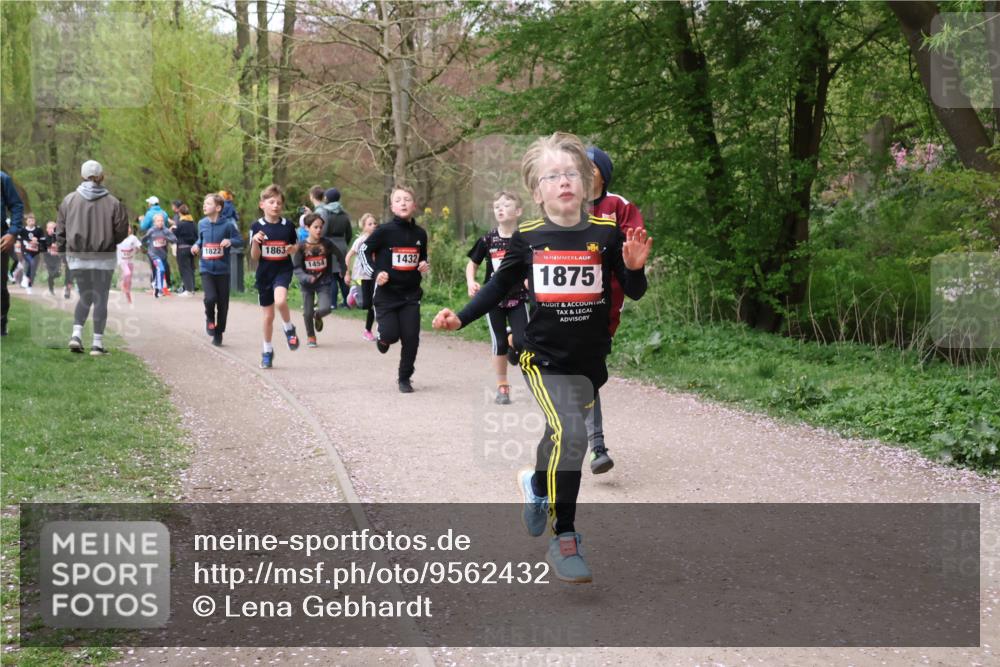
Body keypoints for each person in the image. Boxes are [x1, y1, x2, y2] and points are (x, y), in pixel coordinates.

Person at [432, 132, 652, 583]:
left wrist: (634, 268)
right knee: (572, 433)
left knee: (559, 433)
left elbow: (633, 291)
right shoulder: (528, 239)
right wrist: (462, 317)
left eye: (572, 173)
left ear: (588, 184)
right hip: (542, 357)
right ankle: (564, 536)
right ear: (537, 192)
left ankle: (535, 483)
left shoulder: (606, 234)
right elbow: (499, 286)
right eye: (552, 176)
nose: (564, 181)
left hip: (590, 358)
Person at [583, 146, 648, 474]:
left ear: (603, 175)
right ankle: (596, 445)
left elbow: (634, 249)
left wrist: (632, 262)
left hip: (606, 305)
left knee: (586, 372)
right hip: (567, 304)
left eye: (590, 166)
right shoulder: (564, 205)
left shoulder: (618, 206)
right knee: (581, 371)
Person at [359, 184, 429, 393]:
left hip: (411, 295)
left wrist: (423, 264)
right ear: (392, 207)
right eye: (398, 200)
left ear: (414, 205)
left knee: (411, 338)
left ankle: (404, 378)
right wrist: (375, 273)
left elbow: (422, 257)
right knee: (391, 335)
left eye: (407, 199)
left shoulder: (420, 233)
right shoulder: (384, 231)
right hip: (386, 295)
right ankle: (383, 338)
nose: (403, 203)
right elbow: (363, 251)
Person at [57, 160, 130, 355]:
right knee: (100, 299)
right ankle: (97, 344)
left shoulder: (69, 200)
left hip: (77, 257)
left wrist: (64, 254)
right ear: (102, 177)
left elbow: (60, 232)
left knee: (85, 296)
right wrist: (109, 241)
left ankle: (76, 335)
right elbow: (122, 232)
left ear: (82, 176)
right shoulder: (113, 203)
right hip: (104, 258)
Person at [466, 191, 530, 405]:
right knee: (499, 342)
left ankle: (514, 340)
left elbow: (534, 265)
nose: (500, 209)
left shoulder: (525, 239)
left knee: (523, 342)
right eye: (496, 206)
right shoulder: (488, 239)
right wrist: (471, 281)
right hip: (493, 299)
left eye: (506, 205)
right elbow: (472, 264)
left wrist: (530, 280)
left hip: (519, 298)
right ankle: (502, 386)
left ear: (518, 211)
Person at [248, 184, 300, 368]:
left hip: (283, 270)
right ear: (262, 204)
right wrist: (256, 242)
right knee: (268, 317)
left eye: (279, 203)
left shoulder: (288, 226)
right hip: (264, 274)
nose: (275, 206)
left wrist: (292, 248)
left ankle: (288, 328)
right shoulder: (256, 227)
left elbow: (296, 246)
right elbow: (255, 256)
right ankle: (267, 351)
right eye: (271, 202)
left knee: (280, 301)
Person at [192, 192, 243, 346]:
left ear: (218, 208)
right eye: (204, 203)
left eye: (208, 204)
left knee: (223, 303)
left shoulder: (228, 225)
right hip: (206, 268)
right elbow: (201, 240)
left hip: (223, 269)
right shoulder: (201, 223)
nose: (204, 206)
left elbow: (239, 240)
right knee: (210, 298)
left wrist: (230, 241)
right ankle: (209, 318)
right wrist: (196, 246)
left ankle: (219, 332)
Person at [292, 213, 343, 347]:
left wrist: (344, 269)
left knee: (326, 308)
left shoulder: (327, 243)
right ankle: (311, 336)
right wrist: (306, 277)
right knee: (307, 312)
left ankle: (318, 315)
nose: (319, 230)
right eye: (315, 227)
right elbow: (296, 267)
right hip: (307, 284)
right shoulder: (301, 246)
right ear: (307, 228)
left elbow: (339, 255)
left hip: (323, 282)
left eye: (321, 227)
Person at [316, 187, 352, 308]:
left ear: (328, 198)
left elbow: (324, 230)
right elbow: (349, 233)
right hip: (342, 245)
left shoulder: (325, 212)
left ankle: (332, 303)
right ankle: (347, 302)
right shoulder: (344, 213)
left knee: (330, 275)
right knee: (342, 275)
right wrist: (344, 243)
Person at [344, 212, 378, 340]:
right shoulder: (360, 241)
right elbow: (348, 256)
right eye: (370, 224)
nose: (373, 226)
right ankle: (354, 292)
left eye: (375, 223)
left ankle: (367, 331)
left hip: (373, 275)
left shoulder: (378, 239)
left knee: (374, 303)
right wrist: (347, 273)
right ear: (363, 226)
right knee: (364, 304)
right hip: (360, 276)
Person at [1, 170, 25, 336]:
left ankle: (1, 321)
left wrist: (13, 232)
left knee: (0, 285)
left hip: (1, 237)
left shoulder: (3, 179)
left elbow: (17, 205)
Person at [141, 213, 177, 298]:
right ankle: (159, 289)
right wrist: (145, 247)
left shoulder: (166, 231)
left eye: (161, 221)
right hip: (153, 254)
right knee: (160, 269)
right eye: (158, 221)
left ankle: (156, 285)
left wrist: (167, 238)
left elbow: (174, 239)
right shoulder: (151, 230)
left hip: (163, 255)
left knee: (161, 270)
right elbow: (143, 240)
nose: (160, 222)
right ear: (154, 222)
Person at [172, 203, 198, 296]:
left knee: (184, 269)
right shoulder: (193, 224)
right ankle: (192, 289)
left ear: (180, 213)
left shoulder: (180, 224)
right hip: (192, 249)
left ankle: (188, 290)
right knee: (191, 269)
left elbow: (174, 235)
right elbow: (196, 236)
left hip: (182, 248)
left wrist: (172, 229)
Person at [116, 224, 142, 304]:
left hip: (130, 261)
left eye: (128, 228)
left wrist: (138, 249)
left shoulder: (133, 238)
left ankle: (128, 296)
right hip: (122, 261)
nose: (126, 229)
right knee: (127, 273)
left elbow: (139, 246)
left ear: (130, 229)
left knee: (129, 281)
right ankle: (123, 285)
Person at [40, 221, 62, 296]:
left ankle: (51, 279)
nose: (51, 229)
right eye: (49, 228)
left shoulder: (58, 237)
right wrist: (48, 248)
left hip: (57, 259)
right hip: (48, 260)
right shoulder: (44, 238)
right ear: (47, 229)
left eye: (53, 228)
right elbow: (42, 248)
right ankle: (51, 289)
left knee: (57, 274)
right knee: (51, 274)